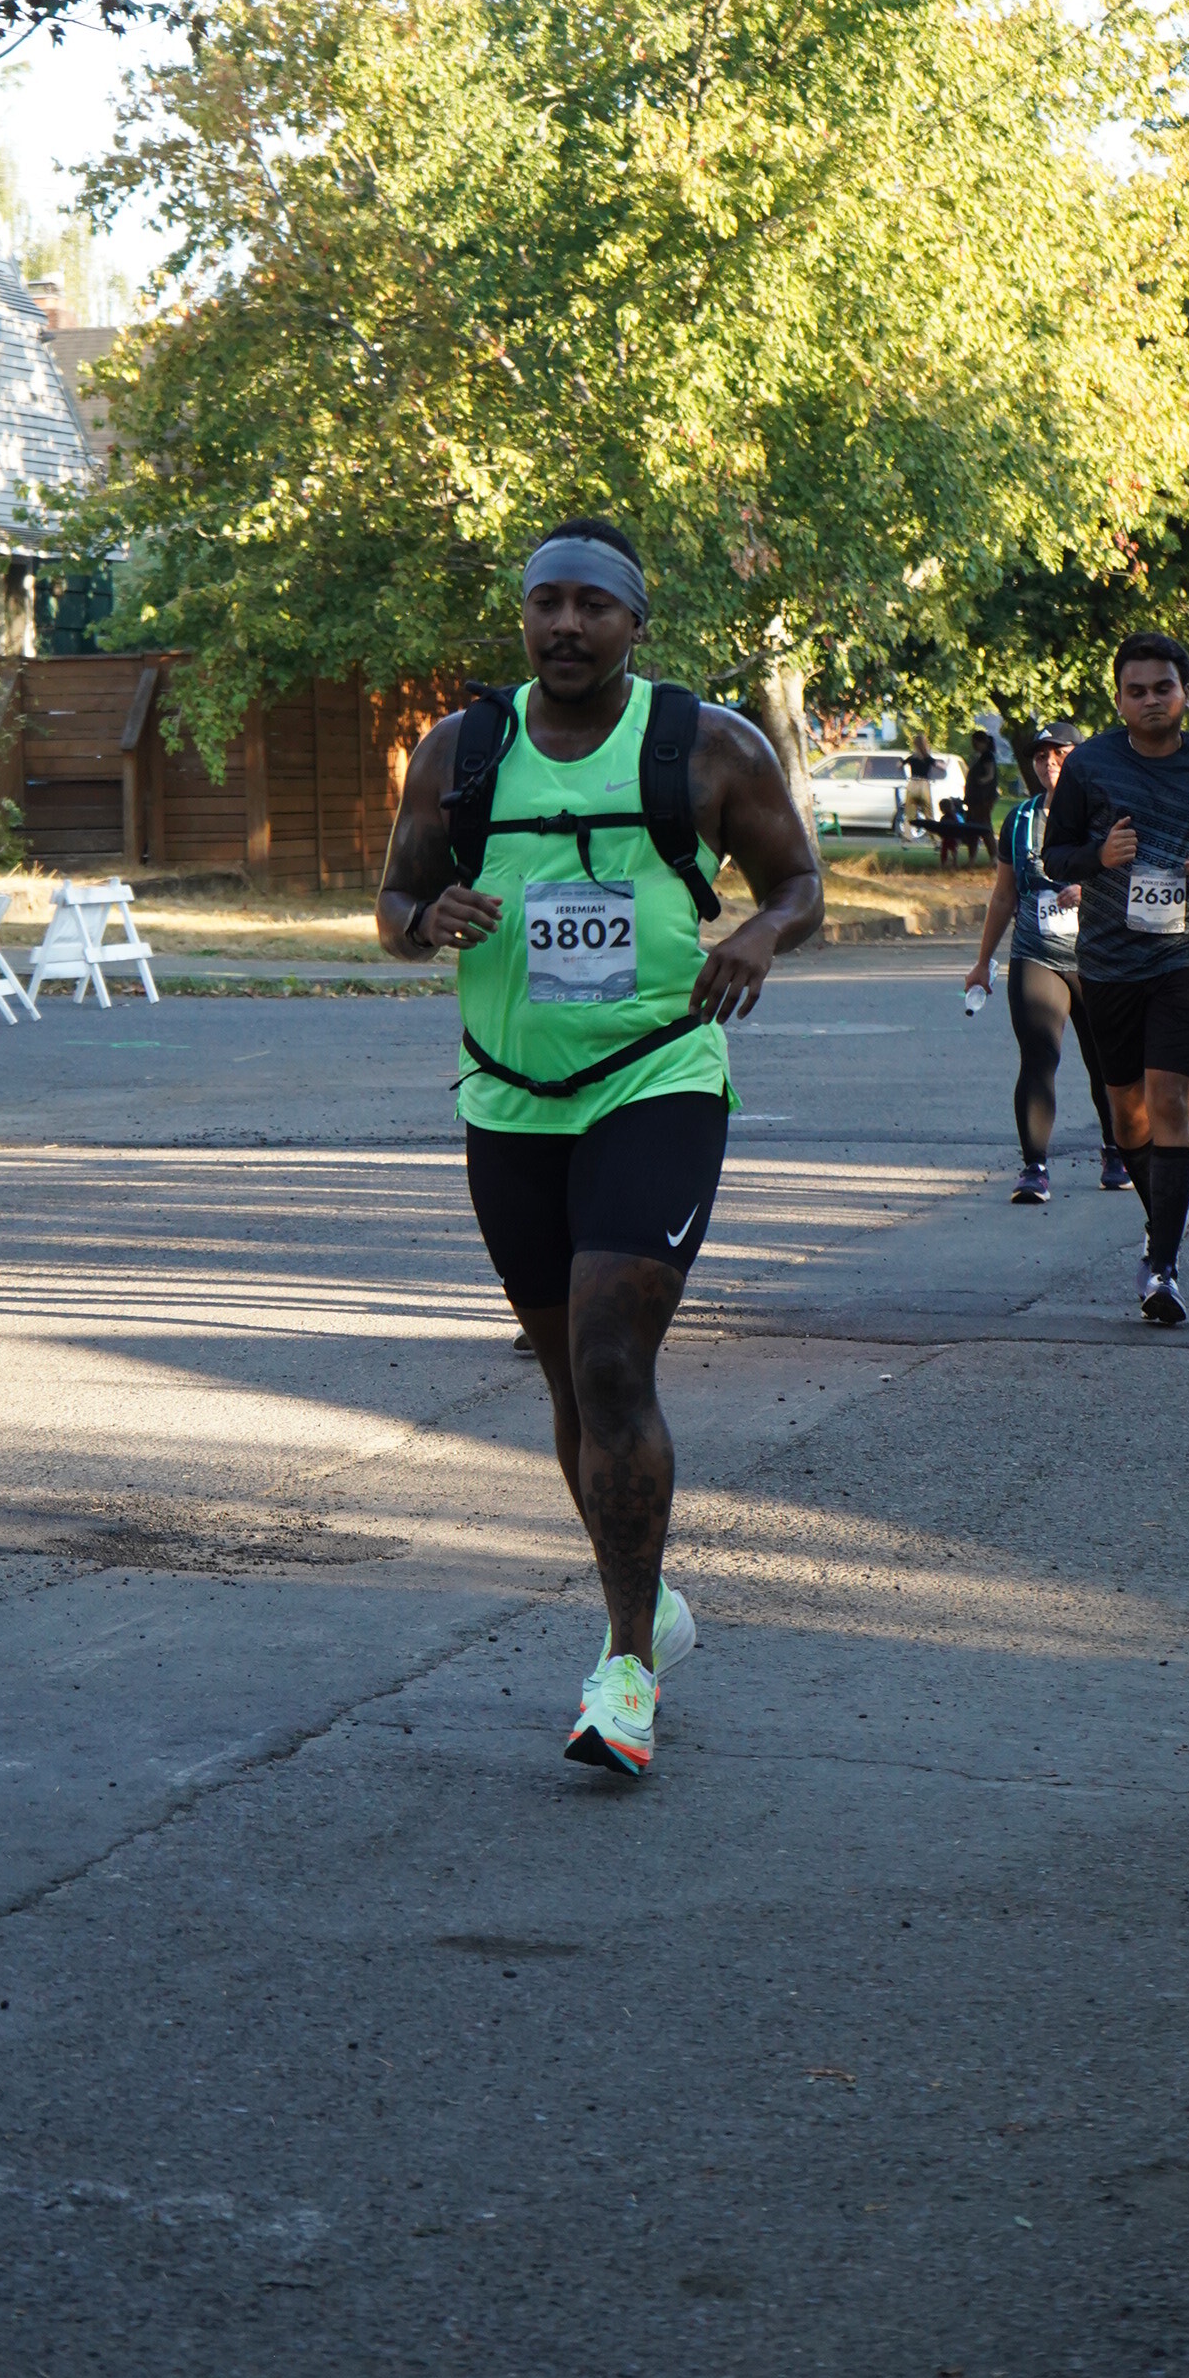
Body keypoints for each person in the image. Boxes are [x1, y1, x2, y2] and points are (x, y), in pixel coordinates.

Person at [377, 518, 822, 1777]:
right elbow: (391, 904)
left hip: (655, 1077)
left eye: (591, 605)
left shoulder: (707, 745)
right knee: (571, 1386)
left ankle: (624, 1667)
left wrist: (757, 934)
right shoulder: (461, 751)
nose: (565, 625)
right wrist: (426, 916)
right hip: (510, 1094)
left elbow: (798, 883)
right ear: (523, 616)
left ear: (634, 621)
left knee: (612, 1360)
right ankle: (650, 1601)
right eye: (545, 603)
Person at [1042, 632, 1189, 1325]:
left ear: (1185, 694)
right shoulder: (1089, 765)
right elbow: (1054, 858)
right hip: (1108, 962)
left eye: (1162, 688)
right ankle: (1162, 1218)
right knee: (1127, 1114)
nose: (1150, 700)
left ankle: (1163, 1268)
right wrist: (1098, 855)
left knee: (1171, 1099)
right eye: (1136, 690)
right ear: (1119, 700)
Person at [963, 720, 1127, 1203]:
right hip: (1036, 954)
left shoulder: (1106, 814)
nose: (1049, 762)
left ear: (1081, 757)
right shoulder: (1020, 820)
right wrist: (982, 962)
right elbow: (1003, 896)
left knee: (1106, 1063)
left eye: (1060, 753)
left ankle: (1116, 1152)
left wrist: (1090, 890)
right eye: (1040, 755)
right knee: (1038, 1057)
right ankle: (1034, 1167)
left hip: (1099, 958)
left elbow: (1132, 882)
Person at [962, 733, 1000, 863]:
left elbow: (990, 775)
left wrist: (979, 782)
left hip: (983, 798)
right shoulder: (978, 756)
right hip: (974, 799)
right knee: (972, 827)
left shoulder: (987, 756)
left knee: (983, 826)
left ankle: (993, 856)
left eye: (976, 743)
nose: (974, 746)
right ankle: (972, 856)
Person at [902, 736, 935, 836]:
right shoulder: (928, 758)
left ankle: (907, 837)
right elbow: (941, 766)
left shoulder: (912, 758)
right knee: (928, 813)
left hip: (912, 783)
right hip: (924, 784)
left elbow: (900, 764)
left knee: (909, 813)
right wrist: (947, 763)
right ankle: (934, 838)